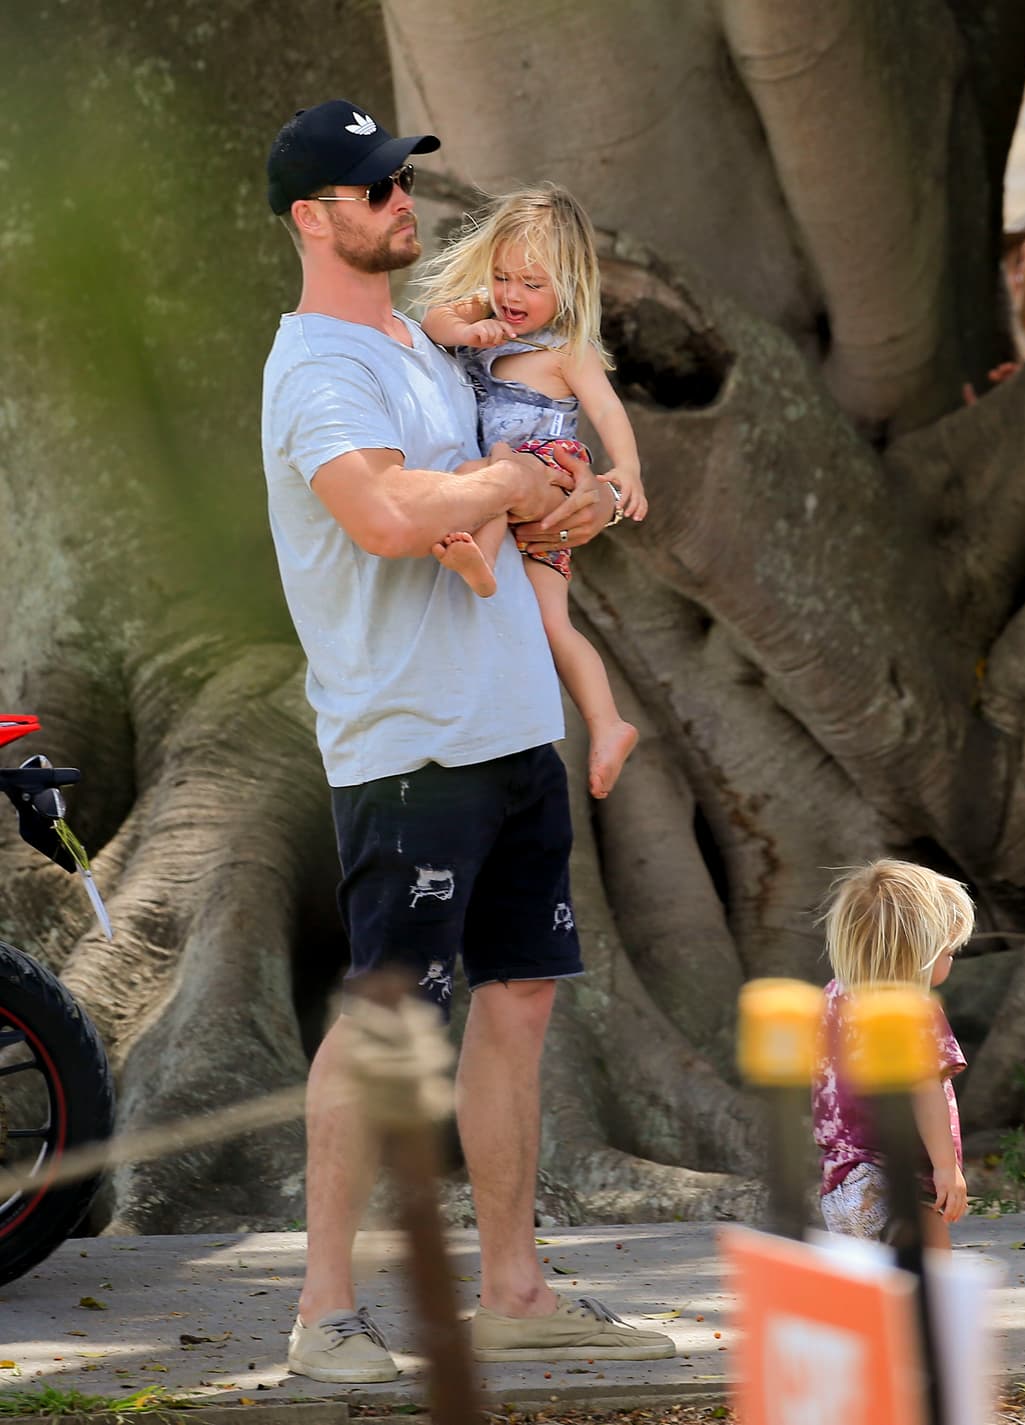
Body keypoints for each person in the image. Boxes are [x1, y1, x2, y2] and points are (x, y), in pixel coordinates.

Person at [261, 99, 674, 1384]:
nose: (400, 203)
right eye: (373, 189)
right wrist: (506, 492)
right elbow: (387, 515)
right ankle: (324, 1313)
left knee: (519, 1007)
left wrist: (579, 501)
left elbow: (520, 465)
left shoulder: (420, 345)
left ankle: (515, 1288)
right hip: (408, 754)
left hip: (512, 737)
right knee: (387, 1026)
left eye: (401, 182)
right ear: (310, 218)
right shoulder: (316, 370)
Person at [418, 185, 645, 800]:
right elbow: (434, 319)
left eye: (532, 283)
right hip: (513, 494)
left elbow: (608, 409)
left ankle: (482, 565)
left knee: (490, 475)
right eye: (502, 277)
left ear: (568, 286)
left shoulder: (567, 351)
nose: (512, 295)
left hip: (545, 468)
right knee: (546, 615)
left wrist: (626, 471)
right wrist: (474, 329)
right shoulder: (485, 316)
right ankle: (608, 723)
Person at [812, 860, 974, 1248]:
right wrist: (946, 1169)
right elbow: (924, 1091)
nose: (951, 961)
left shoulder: (833, 997)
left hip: (842, 1180)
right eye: (948, 952)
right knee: (931, 1290)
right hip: (895, 1177)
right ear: (916, 952)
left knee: (875, 1295)